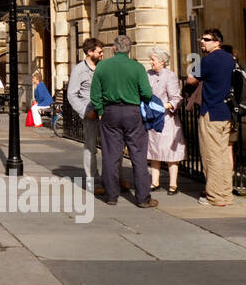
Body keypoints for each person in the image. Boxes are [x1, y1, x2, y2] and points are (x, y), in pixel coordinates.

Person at [89, 34, 156, 207]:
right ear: (130, 49)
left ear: (114, 48)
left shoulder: (102, 66)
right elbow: (147, 93)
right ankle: (143, 198)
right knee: (138, 155)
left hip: (110, 112)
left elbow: (95, 94)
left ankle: (112, 196)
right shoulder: (137, 67)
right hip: (132, 113)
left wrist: (101, 110)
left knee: (111, 155)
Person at [186, 27, 236, 207]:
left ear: (217, 42)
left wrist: (191, 73)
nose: (202, 42)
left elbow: (191, 80)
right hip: (227, 113)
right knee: (223, 155)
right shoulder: (230, 58)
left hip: (211, 112)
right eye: (202, 39)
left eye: (207, 39)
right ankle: (226, 194)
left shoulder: (209, 60)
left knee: (211, 156)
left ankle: (214, 196)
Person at [146, 47, 186, 195]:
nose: (151, 62)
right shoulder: (148, 74)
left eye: (153, 60)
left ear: (162, 62)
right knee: (154, 150)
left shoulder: (170, 76)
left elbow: (176, 98)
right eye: (151, 59)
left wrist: (164, 106)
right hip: (152, 119)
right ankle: (154, 182)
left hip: (166, 119)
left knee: (170, 152)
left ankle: (173, 184)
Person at [67, 38, 105, 190]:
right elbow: (71, 94)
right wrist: (85, 112)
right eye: (99, 52)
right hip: (90, 114)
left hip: (106, 113)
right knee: (91, 148)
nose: (102, 54)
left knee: (112, 147)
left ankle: (113, 179)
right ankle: (93, 181)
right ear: (90, 52)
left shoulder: (103, 67)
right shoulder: (79, 70)